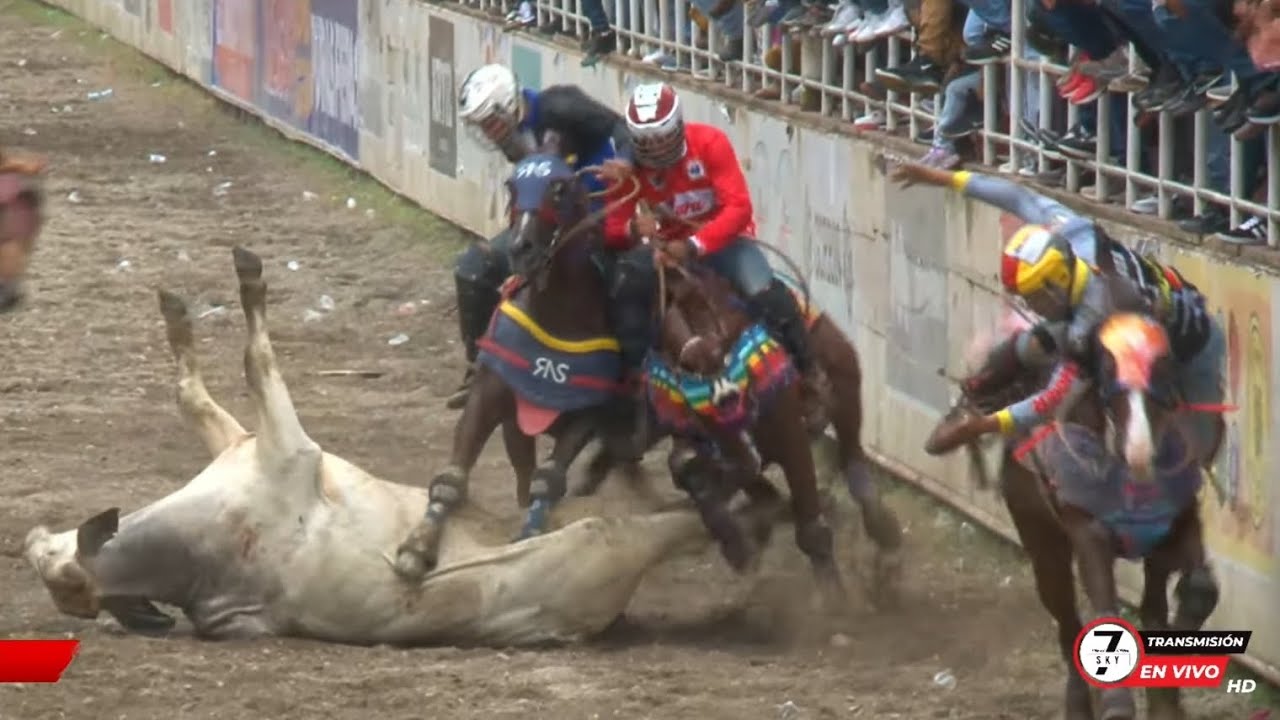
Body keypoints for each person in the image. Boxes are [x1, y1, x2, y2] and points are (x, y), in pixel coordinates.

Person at [889, 162, 1224, 457]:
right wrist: (939, 177)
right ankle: (975, 396)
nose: (1028, 305)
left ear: (1055, 284)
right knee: (1028, 344)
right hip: (1123, 316)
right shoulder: (1071, 230)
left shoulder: (1088, 324)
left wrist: (984, 427)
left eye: (1032, 297)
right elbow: (1018, 197)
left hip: (1188, 341)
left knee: (1195, 446)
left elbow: (1051, 399)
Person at [598, 81, 816, 388]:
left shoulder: (710, 143)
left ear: (678, 128)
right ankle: (633, 380)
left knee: (767, 292)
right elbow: (611, 230)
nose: (657, 150)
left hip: (725, 244)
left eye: (663, 139)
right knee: (624, 292)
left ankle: (807, 375)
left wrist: (693, 245)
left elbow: (739, 208)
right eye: (647, 144)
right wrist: (633, 229)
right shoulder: (628, 171)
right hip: (664, 256)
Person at [445, 64, 635, 408]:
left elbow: (619, 125)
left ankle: (635, 379)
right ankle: (480, 366)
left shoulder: (561, 105)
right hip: (548, 224)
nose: (489, 133)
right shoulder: (512, 139)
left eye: (490, 122)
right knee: (473, 268)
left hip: (600, 213)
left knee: (628, 285)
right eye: (483, 126)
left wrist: (624, 161)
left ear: (509, 106)